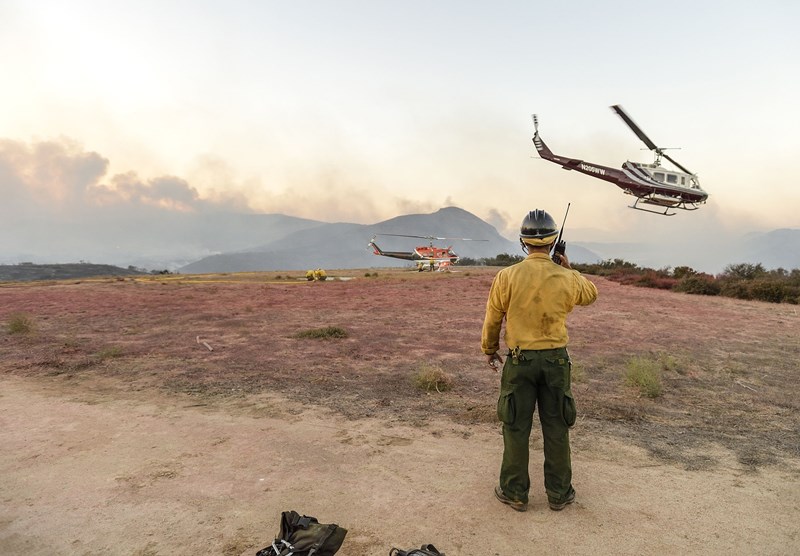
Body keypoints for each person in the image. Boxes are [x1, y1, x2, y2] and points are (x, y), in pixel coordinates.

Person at [481, 209, 598, 512]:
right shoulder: (568, 277)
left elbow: (493, 319)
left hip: (518, 362)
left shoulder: (506, 276)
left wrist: (489, 349)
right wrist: (568, 268)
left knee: (515, 427)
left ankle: (515, 492)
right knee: (557, 427)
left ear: (523, 242)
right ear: (552, 242)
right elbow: (590, 295)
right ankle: (559, 494)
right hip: (556, 363)